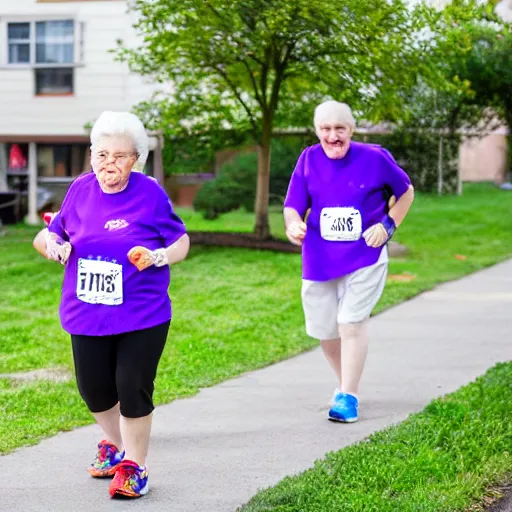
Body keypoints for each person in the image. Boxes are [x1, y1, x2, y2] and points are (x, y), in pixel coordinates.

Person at [32, 111, 190, 499]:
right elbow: (48, 236)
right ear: (91, 156)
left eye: (119, 156)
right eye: (101, 155)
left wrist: (157, 258)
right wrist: (54, 247)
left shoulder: (150, 193)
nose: (109, 164)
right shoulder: (80, 190)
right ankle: (116, 444)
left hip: (143, 312)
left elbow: (181, 241)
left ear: (136, 158)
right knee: (94, 391)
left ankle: (135, 466)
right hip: (86, 313)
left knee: (132, 386)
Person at [283, 101, 414, 423]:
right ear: (317, 132)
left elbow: (407, 192)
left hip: (364, 256)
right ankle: (346, 385)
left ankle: (348, 396)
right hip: (319, 259)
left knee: (351, 324)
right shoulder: (308, 159)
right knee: (326, 330)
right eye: (326, 129)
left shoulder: (375, 157)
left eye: (339, 129)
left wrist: (388, 225)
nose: (333, 136)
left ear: (351, 131)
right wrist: (292, 225)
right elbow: (292, 206)